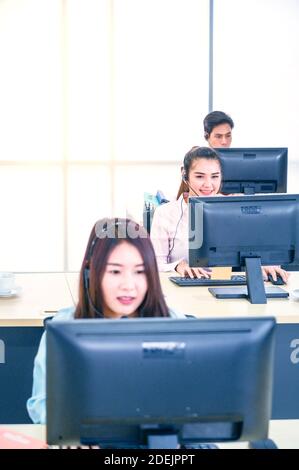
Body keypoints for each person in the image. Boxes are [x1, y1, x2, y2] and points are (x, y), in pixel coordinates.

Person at [27, 218, 184, 424]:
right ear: (90, 272)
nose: (129, 285)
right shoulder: (65, 328)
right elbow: (41, 403)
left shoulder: (173, 323)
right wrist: (71, 431)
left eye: (139, 271)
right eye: (115, 271)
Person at [150, 146, 290, 283]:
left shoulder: (235, 210)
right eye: (200, 176)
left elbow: (253, 250)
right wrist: (176, 266)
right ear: (185, 174)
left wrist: (263, 264)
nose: (208, 184)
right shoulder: (165, 213)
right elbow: (153, 264)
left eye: (215, 176)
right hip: (184, 290)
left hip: (228, 288)